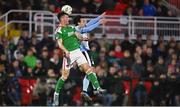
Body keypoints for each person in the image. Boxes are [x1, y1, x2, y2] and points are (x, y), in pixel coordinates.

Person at [53, 12, 106, 106]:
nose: (68, 19)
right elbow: (60, 44)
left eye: (68, 17)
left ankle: (97, 88)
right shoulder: (59, 30)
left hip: (78, 52)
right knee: (64, 76)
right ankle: (56, 94)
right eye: (66, 17)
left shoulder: (72, 28)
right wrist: (66, 50)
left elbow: (77, 35)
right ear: (62, 19)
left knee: (88, 69)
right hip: (69, 54)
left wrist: (82, 38)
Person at [73, 12, 106, 102]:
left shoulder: (81, 27)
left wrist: (99, 17)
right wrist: (99, 22)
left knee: (90, 71)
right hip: (83, 52)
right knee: (91, 70)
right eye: (83, 21)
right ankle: (96, 88)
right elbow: (89, 28)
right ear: (78, 23)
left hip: (84, 52)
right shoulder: (77, 30)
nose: (85, 22)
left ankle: (86, 90)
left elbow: (90, 23)